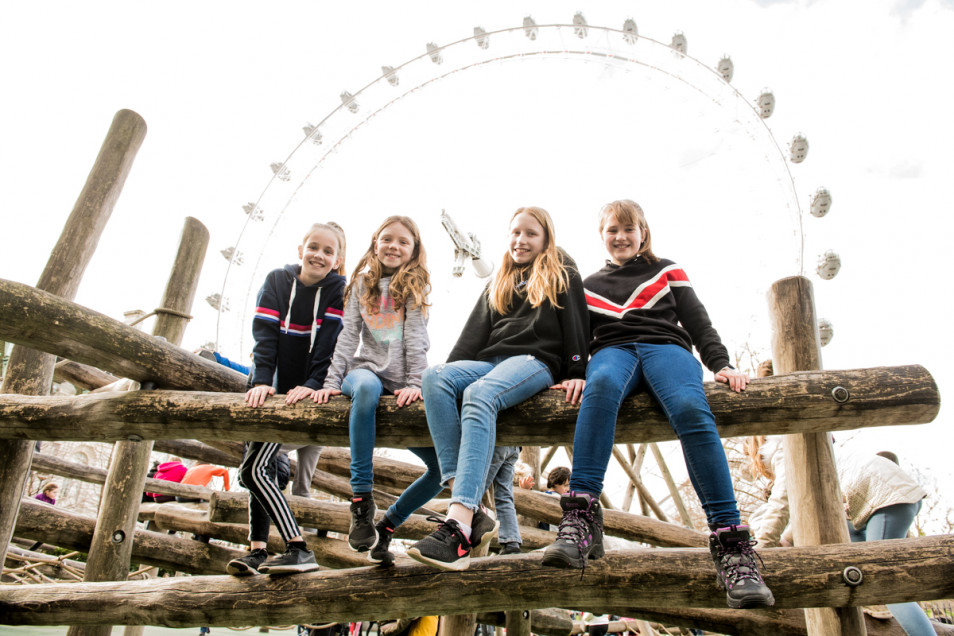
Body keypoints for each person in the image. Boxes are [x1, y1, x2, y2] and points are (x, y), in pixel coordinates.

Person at [542, 199, 774, 610]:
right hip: (612, 351)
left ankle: (731, 544)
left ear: (643, 232)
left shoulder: (667, 271)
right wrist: (572, 369)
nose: (620, 237)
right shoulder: (589, 284)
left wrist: (721, 363)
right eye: (612, 230)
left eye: (628, 229)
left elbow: (698, 319)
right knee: (600, 390)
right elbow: (576, 337)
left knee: (688, 406)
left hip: (666, 348)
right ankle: (580, 516)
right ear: (602, 236)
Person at [408, 206, 589, 571]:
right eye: (515, 233)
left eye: (530, 234)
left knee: (480, 395)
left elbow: (576, 318)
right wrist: (447, 375)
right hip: (490, 361)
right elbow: (470, 337)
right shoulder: (499, 279)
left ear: (546, 239)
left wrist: (577, 369)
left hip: (533, 361)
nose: (521, 240)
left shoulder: (560, 268)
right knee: (435, 376)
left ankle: (458, 524)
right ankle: (470, 504)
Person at [312, 215, 441, 565]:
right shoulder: (359, 286)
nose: (393, 246)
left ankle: (388, 526)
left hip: (402, 384)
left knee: (442, 468)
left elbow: (416, 341)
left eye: (402, 242)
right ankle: (361, 501)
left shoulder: (414, 288)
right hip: (364, 372)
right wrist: (329, 383)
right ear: (374, 243)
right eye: (386, 239)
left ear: (414, 250)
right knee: (366, 390)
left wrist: (416, 383)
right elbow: (347, 337)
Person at [228, 221, 346, 577]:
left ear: (338, 260)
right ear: (300, 250)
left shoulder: (337, 289)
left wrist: (312, 383)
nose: (319, 255)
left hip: (301, 394)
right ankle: (258, 549)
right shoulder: (278, 281)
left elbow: (328, 344)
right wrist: (262, 380)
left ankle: (297, 547)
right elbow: (264, 335)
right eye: (313, 247)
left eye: (328, 251)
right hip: (270, 387)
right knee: (256, 468)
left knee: (252, 470)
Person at [749, 441, 934, 635]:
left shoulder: (787, 452)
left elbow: (782, 505)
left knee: (887, 584)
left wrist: (763, 548)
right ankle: (862, 599)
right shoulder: (825, 454)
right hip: (894, 498)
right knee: (859, 558)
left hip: (886, 499)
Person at [485, 445, 523, 554]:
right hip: (514, 447)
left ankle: (460, 532)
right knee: (504, 496)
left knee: (475, 491)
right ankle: (511, 541)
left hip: (497, 443)